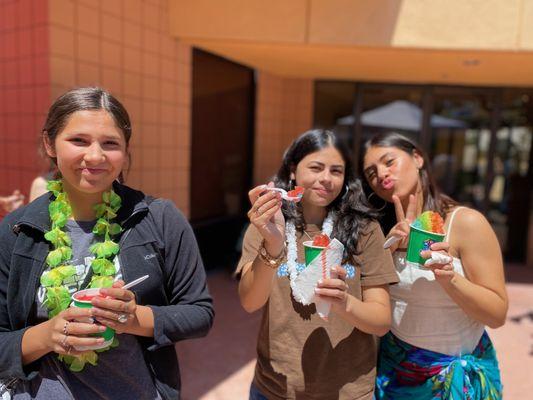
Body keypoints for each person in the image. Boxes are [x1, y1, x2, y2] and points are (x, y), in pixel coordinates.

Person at [0, 87, 214, 399]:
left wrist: (134, 318)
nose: (95, 156)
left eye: (110, 143)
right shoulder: (18, 230)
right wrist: (48, 336)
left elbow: (199, 312)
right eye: (79, 140)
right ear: (50, 143)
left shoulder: (160, 219)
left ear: (126, 152)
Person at [236, 129, 399, 400]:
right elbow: (250, 302)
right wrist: (274, 244)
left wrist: (343, 302)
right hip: (274, 389)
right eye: (315, 167)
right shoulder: (267, 225)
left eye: (336, 171)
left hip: (347, 392)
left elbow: (381, 321)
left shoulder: (365, 230)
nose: (326, 178)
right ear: (292, 170)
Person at [361, 132, 507, 399]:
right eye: (371, 173)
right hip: (394, 377)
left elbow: (497, 314)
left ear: (417, 158)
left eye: (389, 161)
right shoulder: (377, 232)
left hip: (455, 381)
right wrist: (387, 250)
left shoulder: (465, 223)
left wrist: (450, 279)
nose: (381, 174)